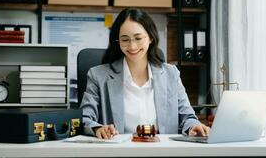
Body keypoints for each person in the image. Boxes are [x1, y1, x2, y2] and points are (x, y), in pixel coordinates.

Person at [80, 8, 210, 139]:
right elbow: (84, 118)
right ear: (118, 41)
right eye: (125, 40)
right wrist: (98, 128)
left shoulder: (171, 74)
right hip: (119, 153)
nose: (132, 46)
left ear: (150, 37)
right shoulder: (98, 76)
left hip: (164, 152)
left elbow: (187, 117)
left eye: (138, 38)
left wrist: (193, 126)